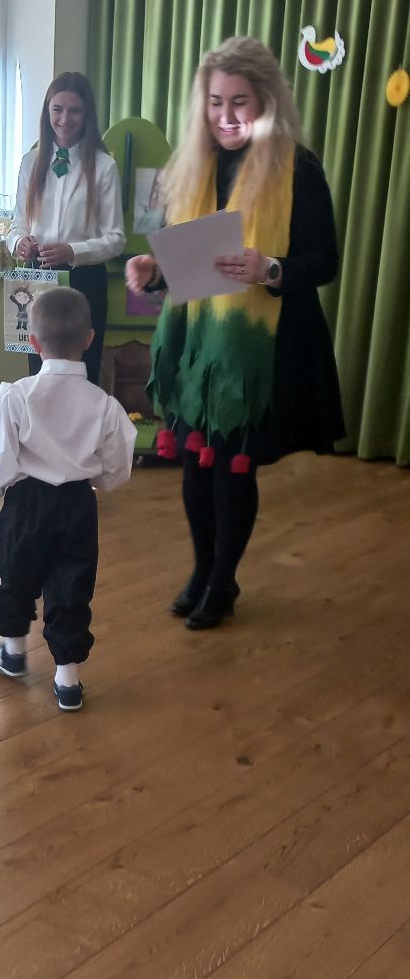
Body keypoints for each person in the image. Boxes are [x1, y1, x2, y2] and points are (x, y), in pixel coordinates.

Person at [126, 36, 344, 629]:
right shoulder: (193, 165)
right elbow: (189, 260)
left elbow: (325, 263)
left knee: (231, 470)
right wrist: (151, 271)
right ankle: (203, 571)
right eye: (215, 102)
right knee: (195, 468)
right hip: (198, 350)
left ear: (266, 101)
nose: (226, 117)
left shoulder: (299, 168)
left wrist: (269, 268)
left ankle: (222, 584)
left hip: (260, 353)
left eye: (240, 102)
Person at [0, 286, 136, 711]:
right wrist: (99, 480)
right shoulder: (105, 405)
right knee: (71, 585)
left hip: (26, 505)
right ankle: (67, 682)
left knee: (16, 576)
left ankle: (13, 655)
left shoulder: (16, 395)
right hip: (77, 506)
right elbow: (115, 468)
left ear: (34, 342)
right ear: (89, 340)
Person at [6, 72, 125, 385]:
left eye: (75, 111)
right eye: (57, 109)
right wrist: (18, 242)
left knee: (83, 371)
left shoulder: (104, 166)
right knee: (39, 372)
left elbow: (116, 239)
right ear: (47, 111)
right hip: (37, 278)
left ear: (87, 115)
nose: (64, 119)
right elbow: (17, 223)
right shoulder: (30, 162)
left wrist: (73, 252)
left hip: (84, 281)